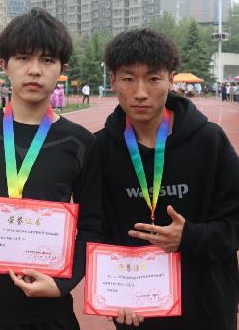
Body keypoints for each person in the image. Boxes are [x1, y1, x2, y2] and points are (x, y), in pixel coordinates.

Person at [0, 8, 103, 330]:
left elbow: (93, 225)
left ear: (62, 69)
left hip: (48, 312)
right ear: (4, 65)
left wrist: (64, 283)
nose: (34, 70)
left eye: (47, 60)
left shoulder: (81, 142)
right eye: (23, 58)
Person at [96, 28, 239, 329]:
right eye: (128, 79)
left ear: (171, 80)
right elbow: (94, 229)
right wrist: (110, 293)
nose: (140, 92)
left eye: (153, 78)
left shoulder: (210, 142)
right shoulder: (99, 149)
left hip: (206, 309)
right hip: (135, 309)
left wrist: (190, 237)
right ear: (113, 81)